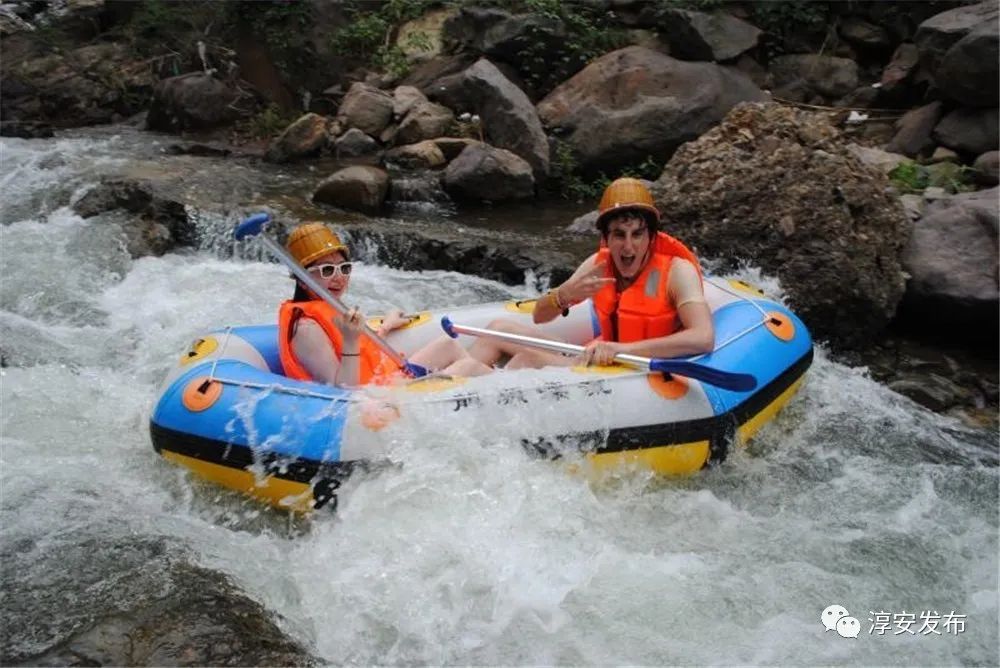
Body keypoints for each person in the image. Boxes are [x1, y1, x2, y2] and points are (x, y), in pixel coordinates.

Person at [466, 177, 715, 368]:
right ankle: (445, 384)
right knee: (498, 327)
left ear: (651, 236)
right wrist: (563, 295)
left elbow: (703, 338)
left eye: (637, 234)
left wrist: (621, 349)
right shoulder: (597, 266)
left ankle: (462, 385)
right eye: (619, 235)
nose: (629, 247)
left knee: (526, 360)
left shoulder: (677, 272)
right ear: (606, 238)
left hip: (639, 372)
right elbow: (540, 317)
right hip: (598, 360)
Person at [277, 223, 492, 387]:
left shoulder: (328, 305)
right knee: (469, 367)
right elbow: (343, 390)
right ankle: (512, 389)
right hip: (381, 398)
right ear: (302, 278)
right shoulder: (306, 329)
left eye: (344, 268)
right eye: (327, 270)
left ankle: (491, 391)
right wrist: (351, 340)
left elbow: (365, 352)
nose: (339, 277)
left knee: (448, 345)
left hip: (389, 377)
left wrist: (385, 327)